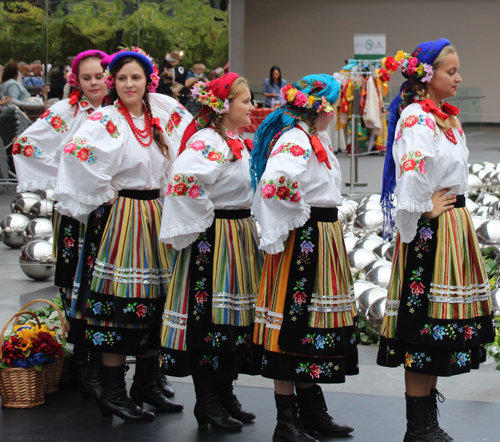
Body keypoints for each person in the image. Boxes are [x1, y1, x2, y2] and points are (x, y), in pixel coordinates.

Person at [54, 47, 192, 422]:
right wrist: (105, 190)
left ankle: (145, 385)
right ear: (113, 82)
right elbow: (75, 153)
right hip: (124, 218)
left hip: (153, 215)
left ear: (149, 81)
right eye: (122, 78)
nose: (129, 84)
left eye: (136, 77)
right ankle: (113, 391)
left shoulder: (155, 118)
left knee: (155, 305)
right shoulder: (107, 118)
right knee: (117, 309)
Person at [377, 39, 495, 442]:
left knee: (436, 325)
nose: (459, 78)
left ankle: (426, 423)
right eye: (451, 71)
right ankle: (418, 428)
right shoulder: (416, 118)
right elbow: (410, 170)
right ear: (427, 78)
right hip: (433, 231)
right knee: (423, 323)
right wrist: (422, 207)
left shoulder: (445, 117)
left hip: (452, 227)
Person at [250, 75, 358, 442]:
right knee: (291, 325)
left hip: (318, 235)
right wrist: (298, 218)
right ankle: (287, 420)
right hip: (306, 237)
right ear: (321, 107)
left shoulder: (313, 138)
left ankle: (311, 411)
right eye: (335, 103)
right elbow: (275, 182)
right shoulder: (296, 139)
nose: (338, 110)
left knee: (308, 324)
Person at [158, 73, 263, 430]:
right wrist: (209, 219)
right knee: (208, 321)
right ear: (224, 105)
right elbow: (184, 181)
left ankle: (223, 393)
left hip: (236, 235)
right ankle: (207, 402)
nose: (252, 106)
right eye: (246, 100)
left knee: (232, 321)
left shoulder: (231, 139)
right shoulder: (207, 141)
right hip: (215, 240)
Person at [12, 49, 109, 392]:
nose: (95, 82)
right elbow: (25, 145)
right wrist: (65, 176)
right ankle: (81, 364)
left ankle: (116, 367)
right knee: (74, 284)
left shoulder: (122, 111)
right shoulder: (65, 113)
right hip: (74, 212)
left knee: (113, 286)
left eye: (100, 76)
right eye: (87, 78)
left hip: (117, 213)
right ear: (76, 81)